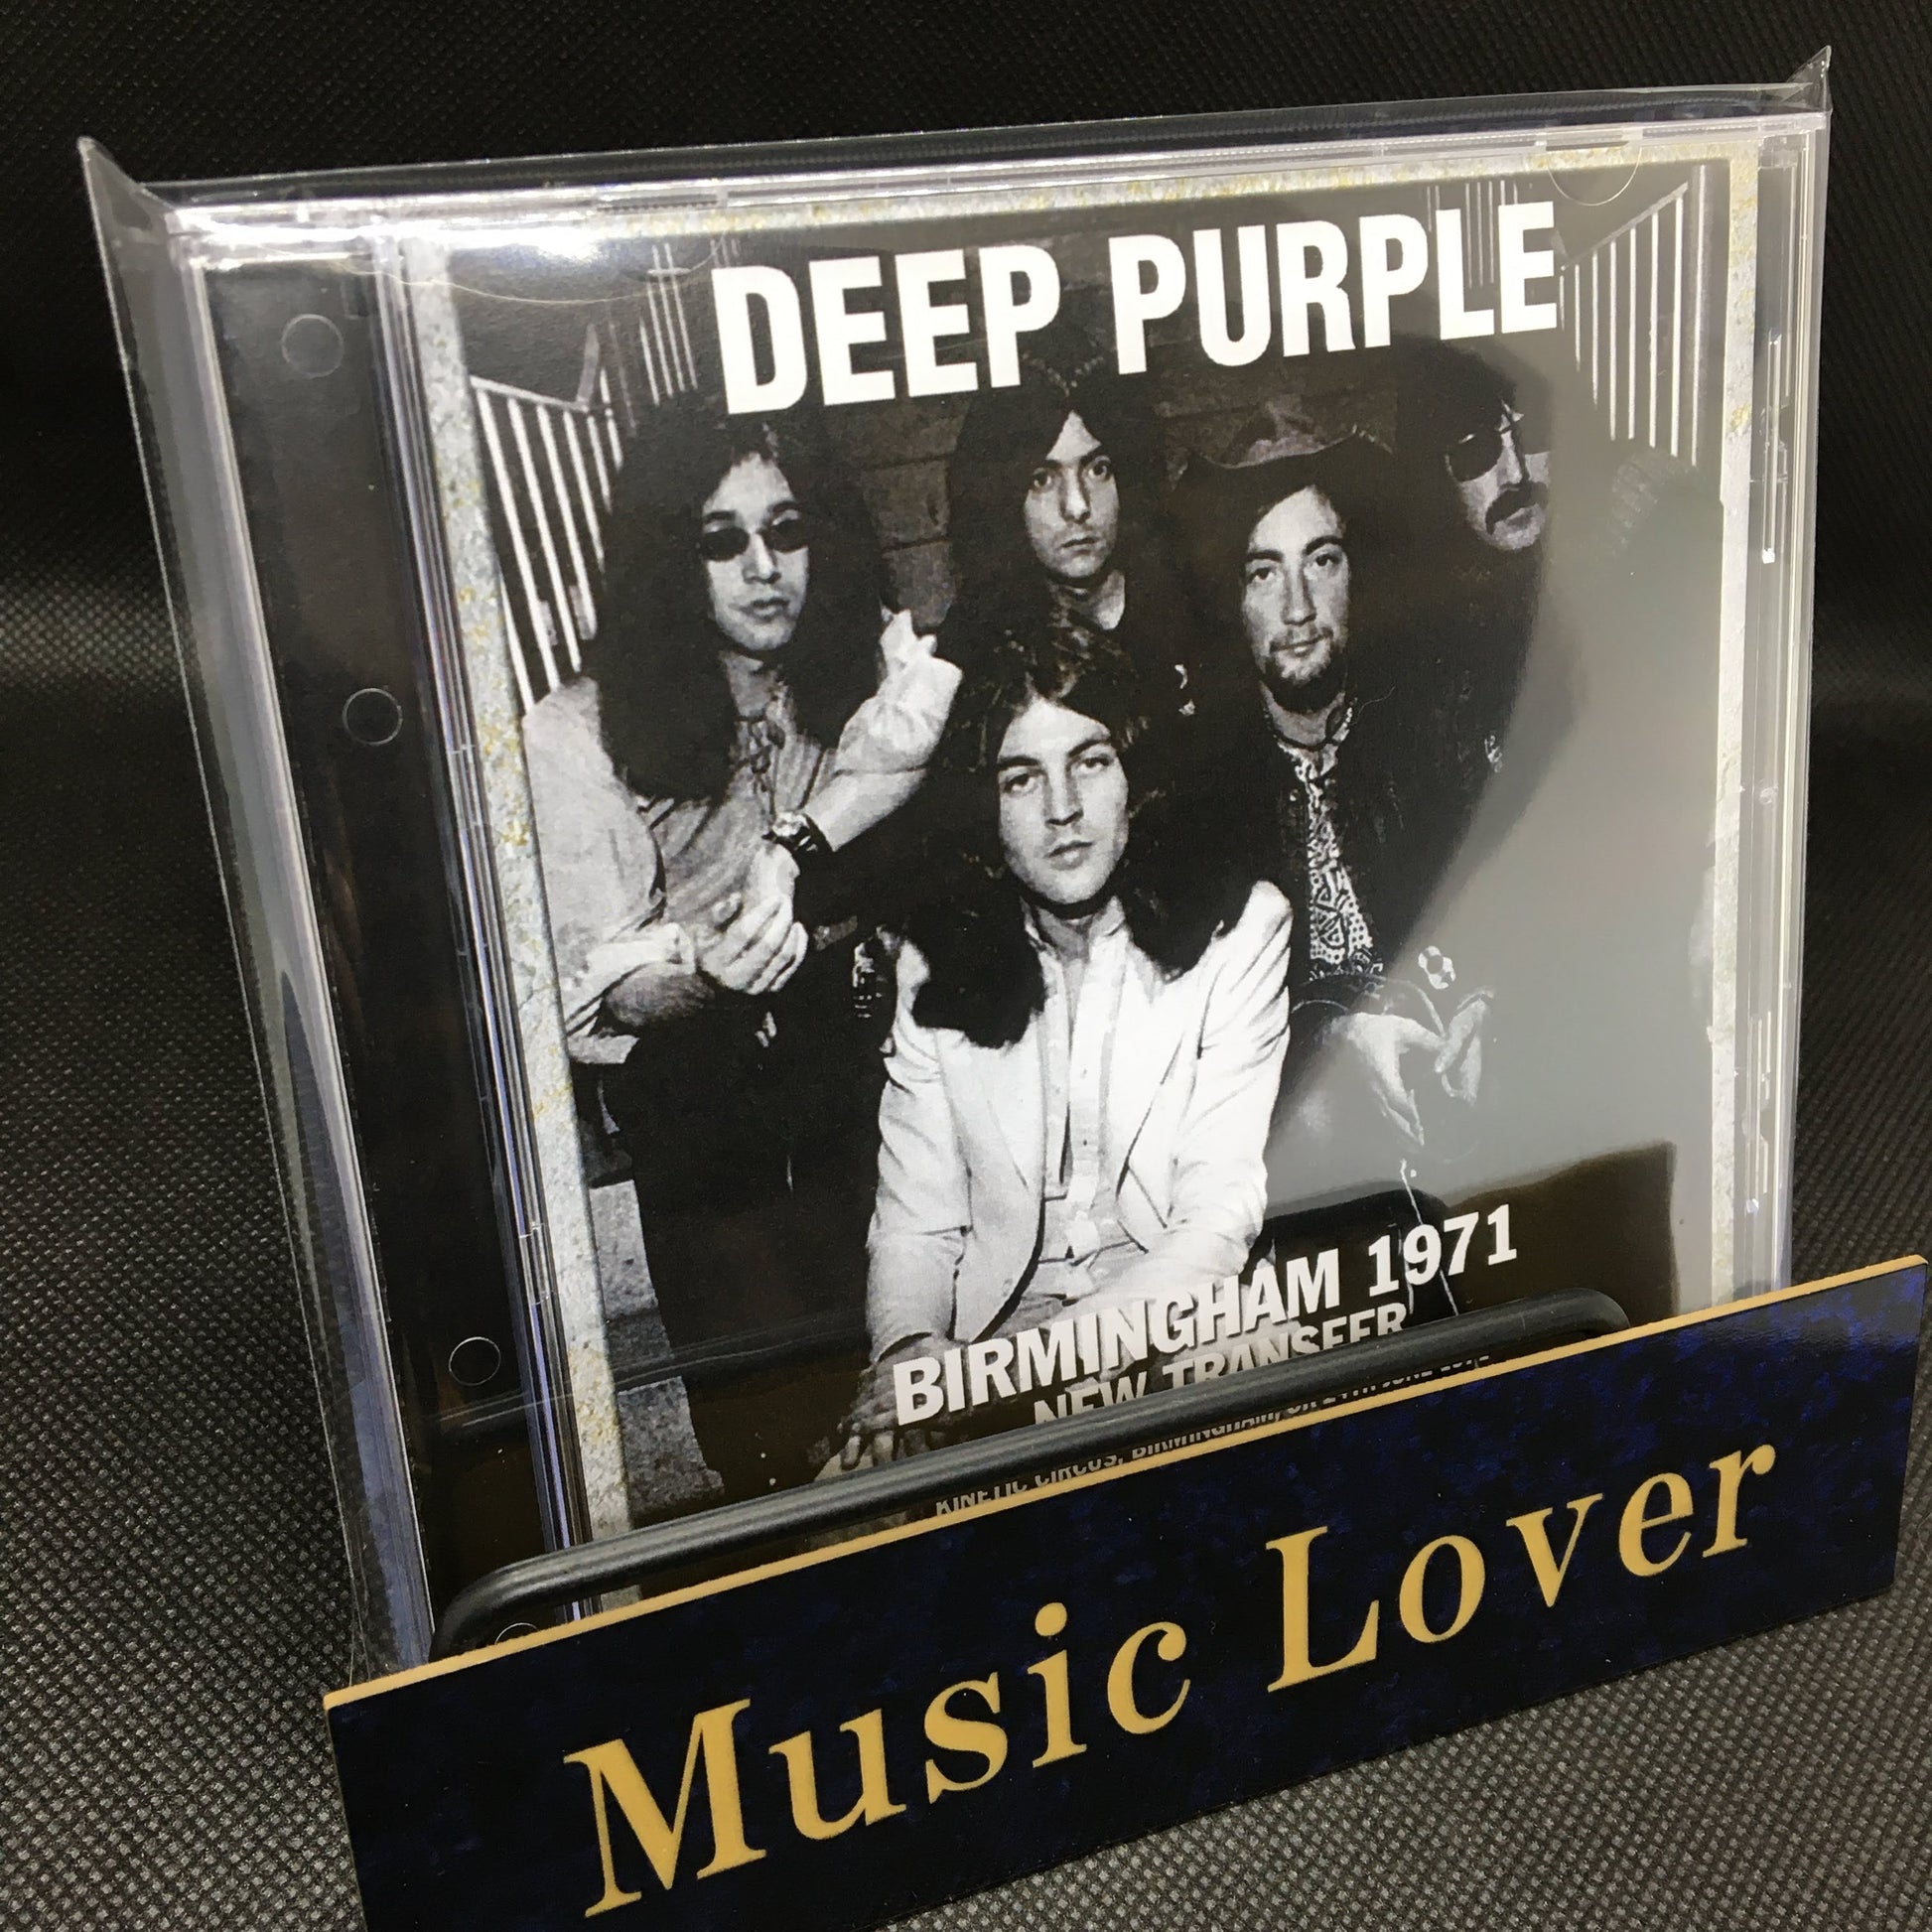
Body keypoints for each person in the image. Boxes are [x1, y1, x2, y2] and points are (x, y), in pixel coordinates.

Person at [521, 393, 957, 1505]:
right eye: (723, 541)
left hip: (864, 1071)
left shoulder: (858, 664)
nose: (765, 569)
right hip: (706, 1106)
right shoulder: (576, 732)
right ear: (671, 557)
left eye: (787, 529)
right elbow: (605, 994)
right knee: (779, 1449)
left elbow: (914, 737)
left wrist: (793, 849)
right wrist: (705, 980)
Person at [837, 620, 1291, 1466]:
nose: (1062, 810)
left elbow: (1215, 1223)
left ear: (1137, 777)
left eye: (1091, 762)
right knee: (850, 1505)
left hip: (1180, 1336)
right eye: (1021, 778)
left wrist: (980, 1381)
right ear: (985, 808)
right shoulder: (934, 960)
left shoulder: (1240, 928)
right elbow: (915, 1223)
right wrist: (909, 1353)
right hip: (984, 1350)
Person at [1174, 406, 1489, 1158]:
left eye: (1321, 561)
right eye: (1264, 573)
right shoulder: (1197, 797)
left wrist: (1489, 1002)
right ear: (1231, 601)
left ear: (1357, 574)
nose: (1297, 608)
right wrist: (1332, 1042)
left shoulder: (1433, 737)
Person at [938, 326, 1200, 720]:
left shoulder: (1193, 605)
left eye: (1098, 469)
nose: (1077, 506)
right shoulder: (972, 645)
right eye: (1042, 480)